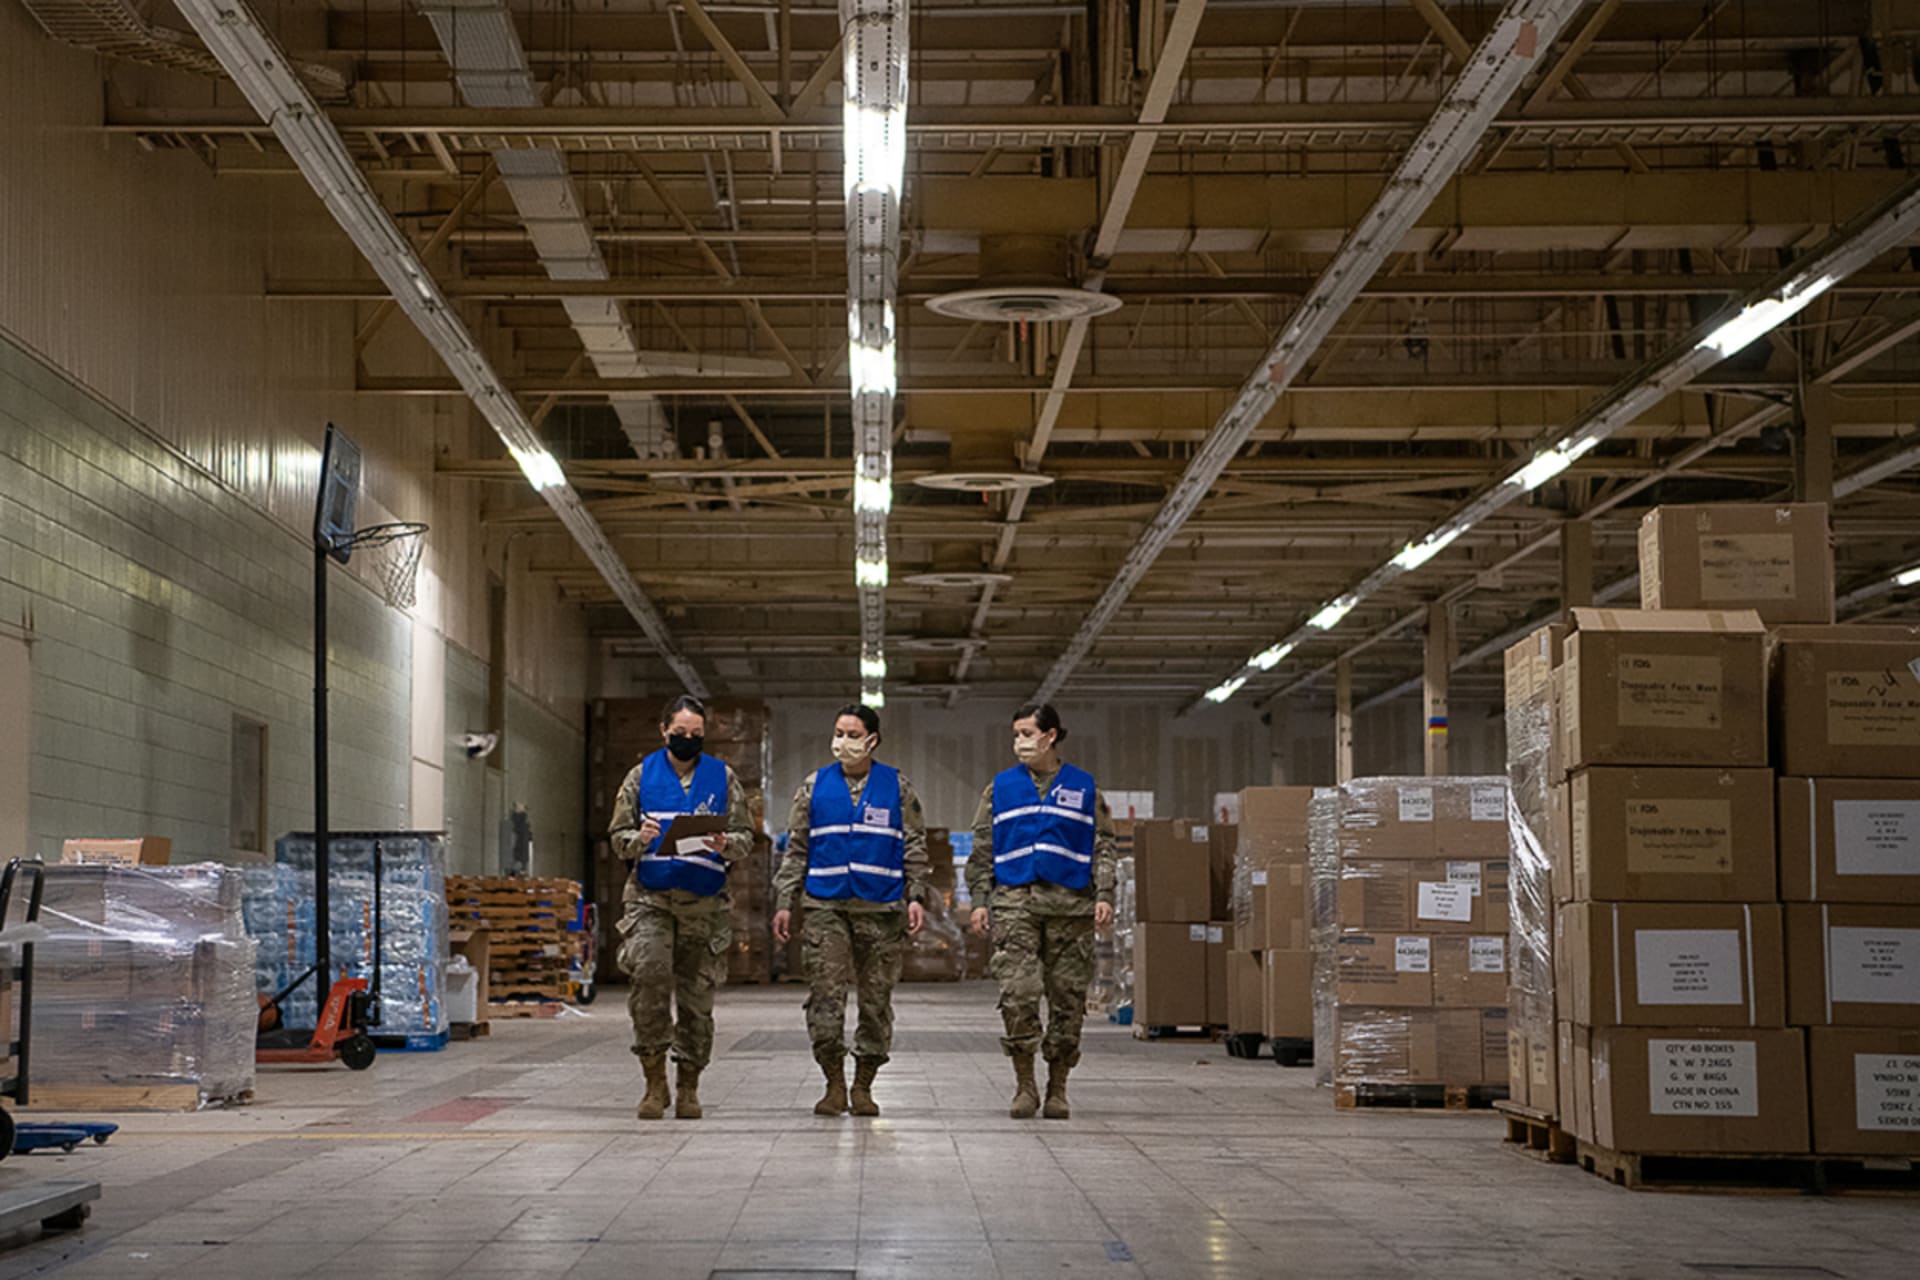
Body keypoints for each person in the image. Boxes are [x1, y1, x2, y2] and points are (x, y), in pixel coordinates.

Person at [773, 704, 931, 1116]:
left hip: (881, 908)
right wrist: (785, 902)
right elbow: (796, 851)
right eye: (838, 732)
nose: (842, 741)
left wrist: (916, 895)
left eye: (852, 734)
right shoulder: (813, 787)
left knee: (876, 1002)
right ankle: (833, 1085)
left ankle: (864, 1085)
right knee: (825, 998)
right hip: (825, 906)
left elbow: (914, 845)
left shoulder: (897, 787)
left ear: (872, 740)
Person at [607, 694, 755, 1120]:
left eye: (696, 735)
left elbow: (746, 836)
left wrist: (728, 844)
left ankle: (689, 1084)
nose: (688, 740)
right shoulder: (640, 777)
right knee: (649, 981)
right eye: (680, 733)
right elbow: (618, 836)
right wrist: (641, 838)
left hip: (704, 903)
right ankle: (654, 1084)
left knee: (696, 997)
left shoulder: (722, 778)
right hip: (650, 899)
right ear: (664, 730)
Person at [966, 703, 1117, 1120]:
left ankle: (1058, 1088)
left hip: (1071, 907)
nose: (1020, 742)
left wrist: (1105, 893)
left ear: (1050, 736)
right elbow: (982, 851)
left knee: (1068, 1001)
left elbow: (1104, 846)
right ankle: (1024, 1085)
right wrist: (980, 901)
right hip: (1015, 905)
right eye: (1015, 734)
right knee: (1017, 994)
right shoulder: (999, 789)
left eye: (1027, 733)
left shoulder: (1085, 788)